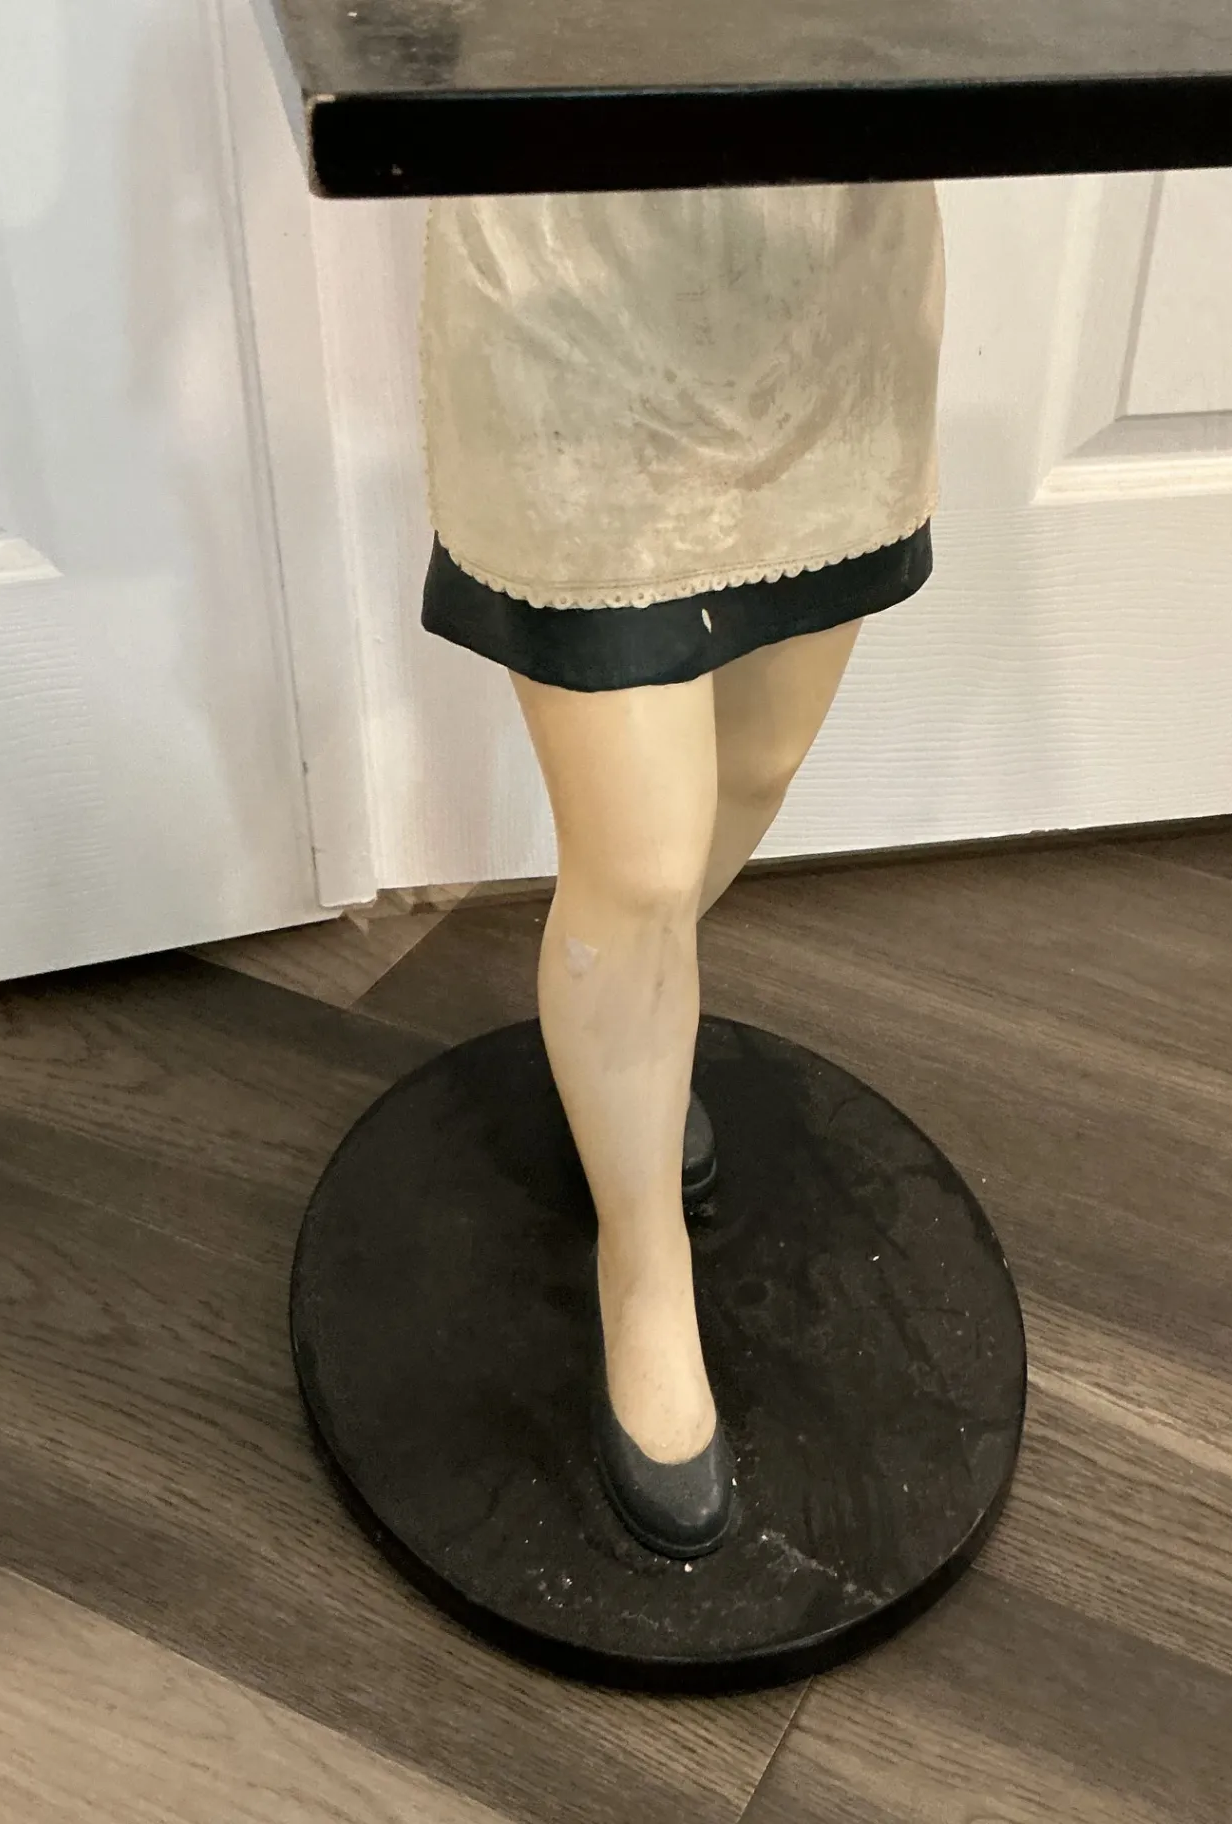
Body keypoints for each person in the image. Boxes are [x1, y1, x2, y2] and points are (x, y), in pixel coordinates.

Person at [417, 180, 945, 1556]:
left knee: (758, 767)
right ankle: (643, 1268)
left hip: (829, 281)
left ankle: (615, 1042)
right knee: (642, 867)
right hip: (570, 276)